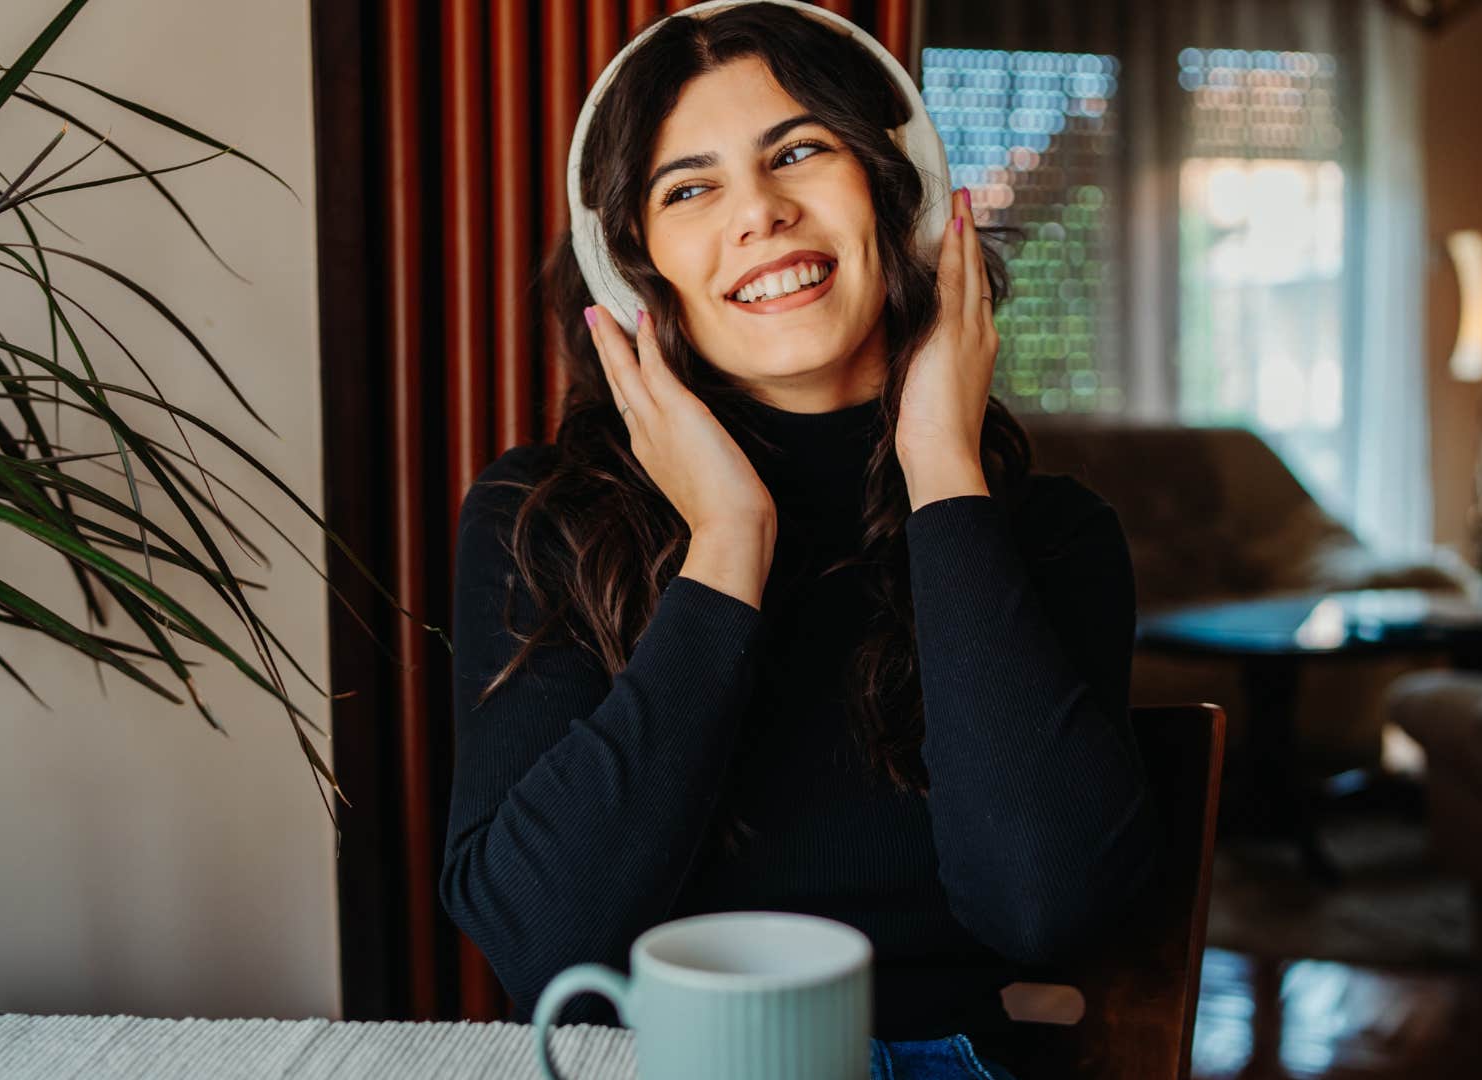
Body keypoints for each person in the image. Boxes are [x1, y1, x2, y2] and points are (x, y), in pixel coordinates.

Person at [440, 3, 1162, 1077]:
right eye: (690, 188)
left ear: (892, 189)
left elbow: (1044, 908)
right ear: (631, 267)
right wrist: (729, 543)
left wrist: (944, 482)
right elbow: (546, 945)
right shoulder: (544, 518)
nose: (762, 214)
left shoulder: (1046, 535)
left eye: (802, 151)